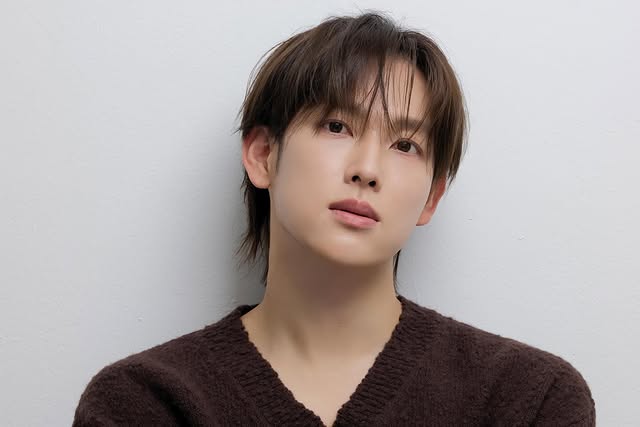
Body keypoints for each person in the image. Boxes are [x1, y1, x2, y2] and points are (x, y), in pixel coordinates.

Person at [73, 12, 595, 426]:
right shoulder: (144, 402)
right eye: (337, 126)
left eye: (405, 145)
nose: (367, 170)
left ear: (431, 198)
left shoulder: (528, 399)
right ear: (263, 155)